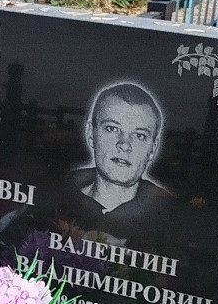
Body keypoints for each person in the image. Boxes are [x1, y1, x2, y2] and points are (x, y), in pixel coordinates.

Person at [64, 81, 178, 244]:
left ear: (152, 148)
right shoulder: (60, 194)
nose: (124, 145)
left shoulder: (170, 216)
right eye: (112, 128)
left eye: (139, 135)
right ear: (90, 134)